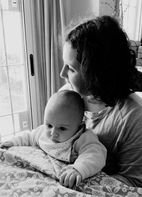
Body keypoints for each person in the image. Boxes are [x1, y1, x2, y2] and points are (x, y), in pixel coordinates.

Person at [60, 15, 142, 187]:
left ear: (97, 74)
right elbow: (45, 134)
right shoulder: (67, 95)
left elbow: (134, 183)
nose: (62, 74)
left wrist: (81, 175)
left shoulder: (133, 118)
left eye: (72, 69)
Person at [0, 90, 106, 188]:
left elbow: (95, 154)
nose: (53, 133)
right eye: (49, 125)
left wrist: (78, 169)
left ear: (79, 124)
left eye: (62, 128)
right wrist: (12, 142)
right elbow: (28, 137)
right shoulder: (43, 132)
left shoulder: (82, 137)